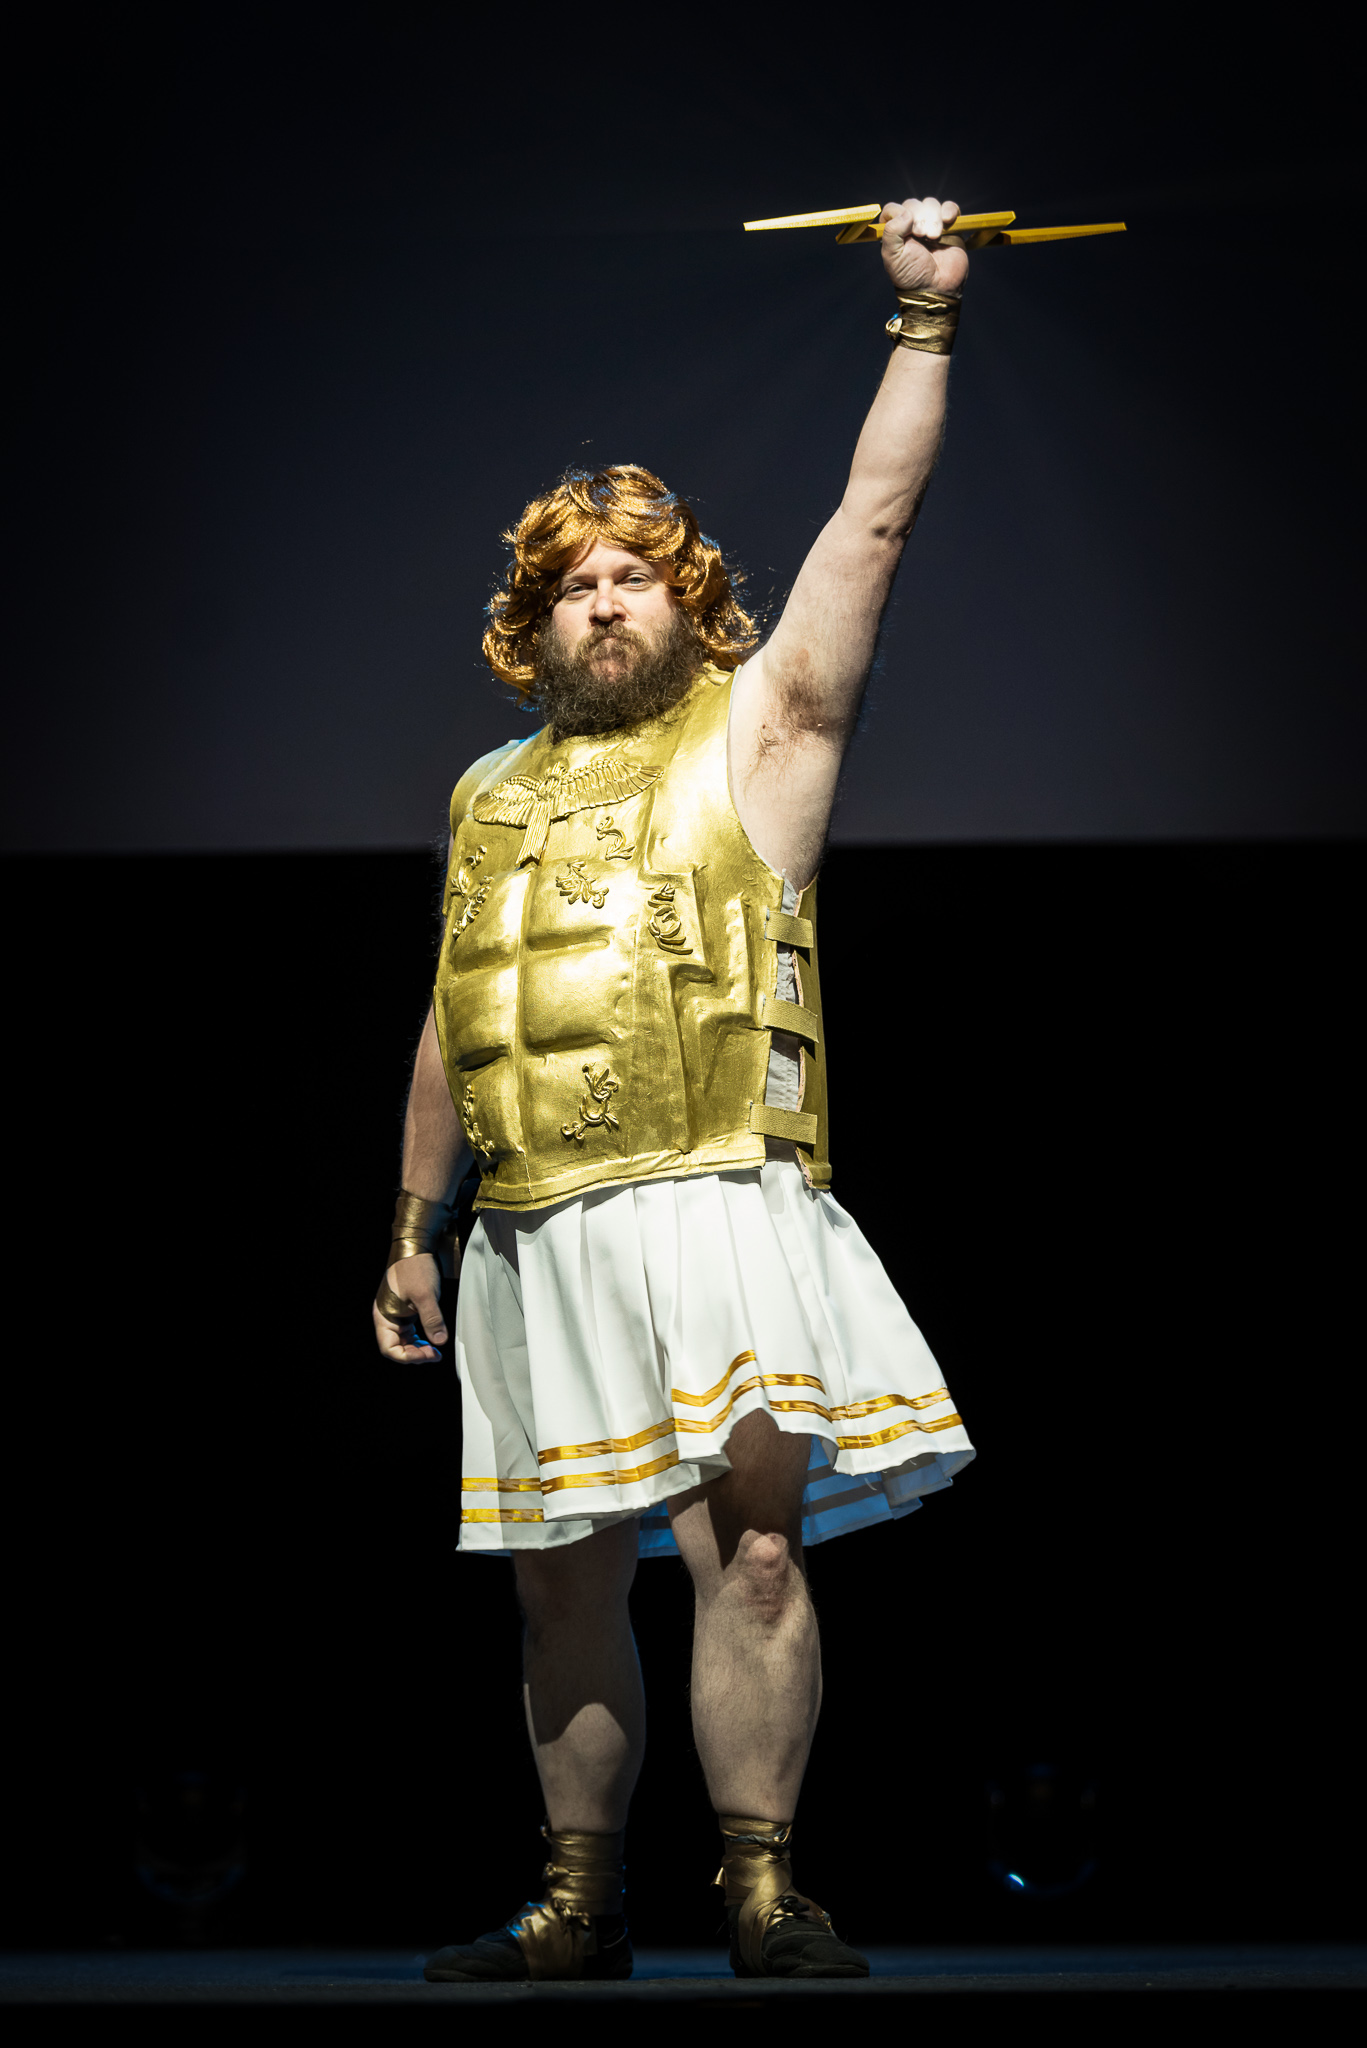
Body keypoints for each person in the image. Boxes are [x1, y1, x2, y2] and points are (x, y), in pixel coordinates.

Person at [373, 196, 976, 1984]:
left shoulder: (761, 733)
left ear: (687, 599)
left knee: (756, 1555)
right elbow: (456, 1014)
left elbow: (871, 522)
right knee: (557, 1577)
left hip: (713, 1191)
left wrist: (923, 323)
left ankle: (764, 1889)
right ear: (535, 620)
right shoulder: (488, 791)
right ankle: (580, 1903)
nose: (602, 598)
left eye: (631, 573)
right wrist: (412, 1225)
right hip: (531, 1226)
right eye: (572, 582)